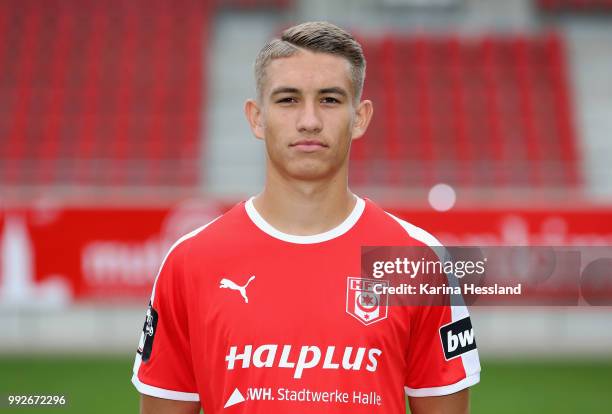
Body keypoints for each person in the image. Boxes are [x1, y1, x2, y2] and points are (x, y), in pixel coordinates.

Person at [132, 21, 480, 414]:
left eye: (330, 100)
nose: (309, 120)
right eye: (288, 100)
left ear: (361, 117)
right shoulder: (190, 262)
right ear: (256, 118)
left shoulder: (417, 260)